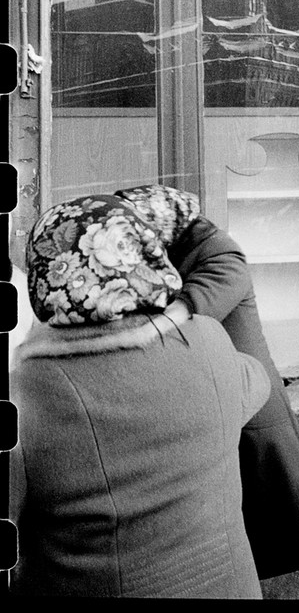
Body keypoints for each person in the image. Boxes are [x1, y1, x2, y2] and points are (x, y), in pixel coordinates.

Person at [10, 193, 271, 598]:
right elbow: (259, 379)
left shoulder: (28, 392)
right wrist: (184, 225)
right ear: (145, 256)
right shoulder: (208, 343)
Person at [116, 184, 299, 580]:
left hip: (249, 414)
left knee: (259, 541)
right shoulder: (175, 254)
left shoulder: (222, 253)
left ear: (163, 225)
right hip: (214, 406)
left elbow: (189, 311)